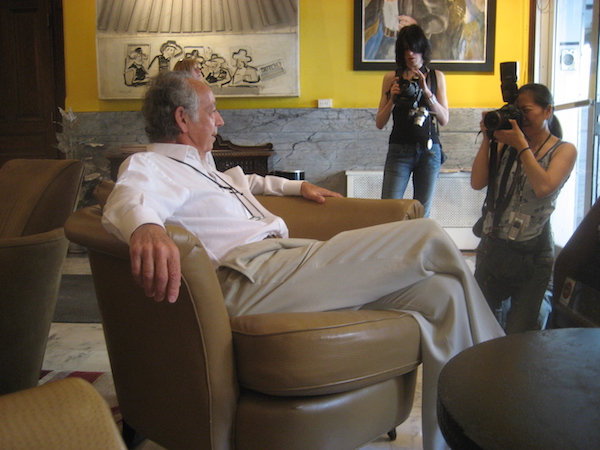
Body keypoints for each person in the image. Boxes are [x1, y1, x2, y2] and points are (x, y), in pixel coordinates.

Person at [102, 70, 503, 450]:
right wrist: (146, 229)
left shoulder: (203, 168)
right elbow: (127, 196)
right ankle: (504, 373)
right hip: (249, 278)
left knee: (442, 293)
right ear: (182, 119)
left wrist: (298, 187)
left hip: (282, 266)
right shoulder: (150, 165)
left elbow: (250, 180)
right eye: (212, 111)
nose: (220, 120)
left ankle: (463, 437)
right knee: (428, 234)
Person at [471, 83, 577, 334]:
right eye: (516, 110)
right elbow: (477, 182)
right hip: (493, 247)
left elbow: (544, 187)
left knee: (520, 333)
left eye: (526, 110)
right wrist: (488, 139)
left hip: (532, 254)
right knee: (485, 328)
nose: (520, 117)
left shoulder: (563, 150)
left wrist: (522, 147)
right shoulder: (505, 145)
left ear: (548, 111)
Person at [376, 24, 449, 217]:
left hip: (429, 152)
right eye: (405, 49)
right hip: (399, 150)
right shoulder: (392, 78)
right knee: (389, 211)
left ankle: (417, 248)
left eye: (414, 49)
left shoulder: (436, 77)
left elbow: (444, 119)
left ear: (423, 49)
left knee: (422, 213)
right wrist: (392, 98)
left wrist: (427, 92)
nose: (410, 54)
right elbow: (380, 122)